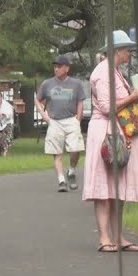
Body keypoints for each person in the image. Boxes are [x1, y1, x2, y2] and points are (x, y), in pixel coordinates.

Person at [82, 31, 138, 252]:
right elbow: (106, 107)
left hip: (119, 130)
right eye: (127, 49)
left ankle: (117, 236)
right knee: (103, 187)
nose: (130, 53)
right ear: (117, 50)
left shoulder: (115, 72)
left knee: (118, 186)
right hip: (106, 131)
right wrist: (133, 97)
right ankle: (104, 237)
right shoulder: (103, 73)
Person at [38, 55, 87, 192]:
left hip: (71, 119)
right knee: (56, 152)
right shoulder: (47, 83)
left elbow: (80, 101)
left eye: (59, 66)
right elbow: (38, 100)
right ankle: (61, 181)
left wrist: (78, 118)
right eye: (55, 66)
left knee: (75, 149)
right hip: (55, 121)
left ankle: (71, 171)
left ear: (67, 68)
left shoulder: (75, 84)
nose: (56, 69)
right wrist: (44, 116)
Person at [0, 90, 15, 156]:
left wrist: (3, 115)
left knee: (6, 136)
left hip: (7, 123)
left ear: (1, 98)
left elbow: (10, 115)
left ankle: (5, 151)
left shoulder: (7, 105)